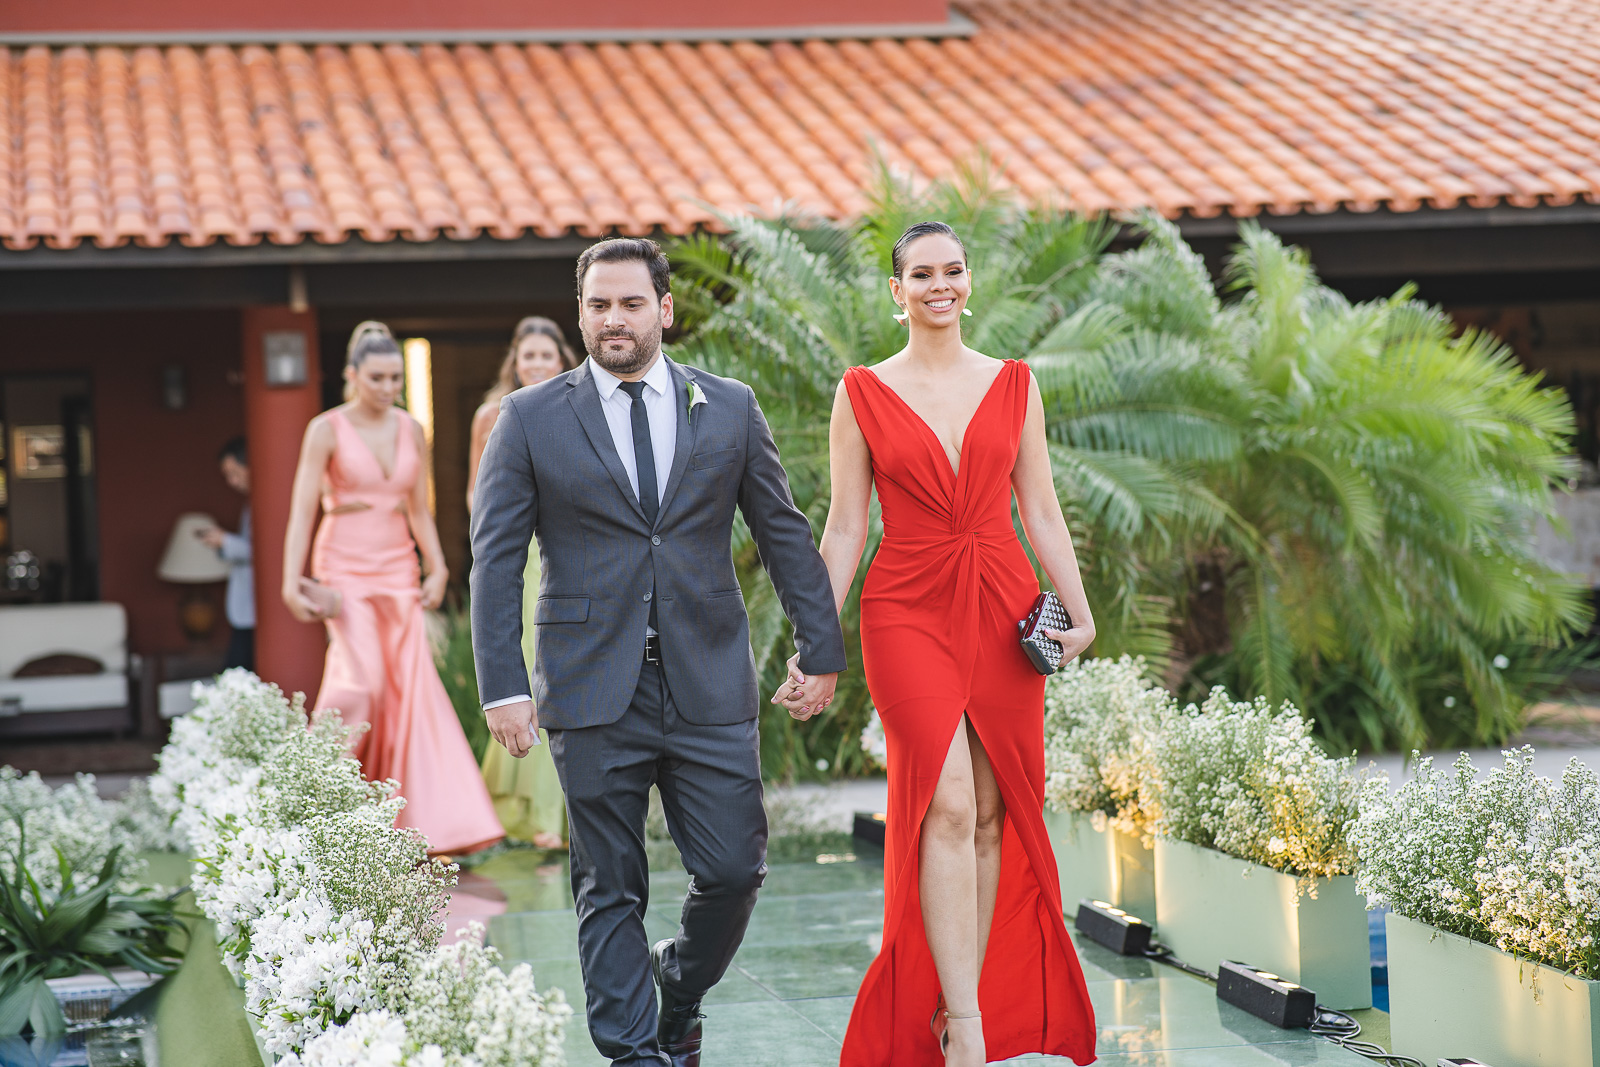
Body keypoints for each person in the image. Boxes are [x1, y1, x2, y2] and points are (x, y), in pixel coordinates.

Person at [470, 238, 846, 1067]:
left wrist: (820, 647)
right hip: (588, 681)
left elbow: (782, 532)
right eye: (598, 304)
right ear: (580, 314)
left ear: (664, 310)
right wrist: (502, 684)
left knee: (735, 869)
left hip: (708, 677)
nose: (615, 318)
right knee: (608, 884)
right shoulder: (528, 418)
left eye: (631, 303)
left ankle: (678, 983)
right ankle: (635, 1054)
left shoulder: (730, 406)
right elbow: (495, 560)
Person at [791, 222, 1098, 1066]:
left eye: (953, 270)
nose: (940, 285)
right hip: (906, 608)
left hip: (1005, 604)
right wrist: (816, 639)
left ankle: (967, 1005)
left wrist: (1079, 612)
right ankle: (964, 1025)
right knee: (949, 803)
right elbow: (845, 527)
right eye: (921, 274)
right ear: (897, 293)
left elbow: (1041, 508)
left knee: (995, 813)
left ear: (969, 281)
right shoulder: (861, 391)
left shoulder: (1015, 383)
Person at [282, 321, 503, 857]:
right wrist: (291, 580)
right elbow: (302, 510)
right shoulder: (325, 429)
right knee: (361, 683)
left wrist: (438, 565)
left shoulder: (410, 427)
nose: (388, 387)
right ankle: (316, 804)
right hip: (344, 565)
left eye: (395, 378)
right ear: (352, 375)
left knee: (409, 686)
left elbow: (418, 509)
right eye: (377, 378)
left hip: (398, 566)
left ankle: (421, 823)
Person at [466, 317, 581, 850]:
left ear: (561, 360)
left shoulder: (576, 408)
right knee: (532, 661)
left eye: (545, 356)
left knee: (562, 660)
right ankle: (532, 809)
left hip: (564, 543)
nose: (536, 364)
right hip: (520, 546)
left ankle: (562, 810)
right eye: (527, 356)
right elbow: (477, 495)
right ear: (514, 361)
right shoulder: (491, 415)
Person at [196, 436, 254, 671]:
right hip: (246, 606)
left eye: (234, 472)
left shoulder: (268, 502)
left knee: (237, 673)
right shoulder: (251, 504)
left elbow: (265, 552)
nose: (231, 481)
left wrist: (225, 540)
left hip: (256, 608)